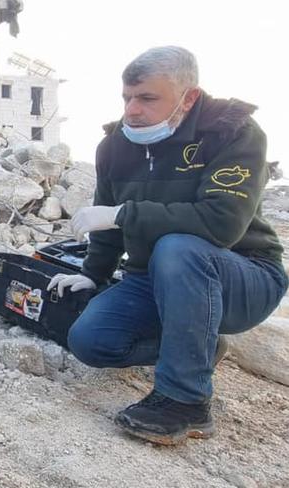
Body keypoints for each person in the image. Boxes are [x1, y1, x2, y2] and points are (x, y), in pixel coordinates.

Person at [50, 46, 287, 445]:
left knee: (178, 247)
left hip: (243, 275)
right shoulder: (115, 147)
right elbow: (106, 226)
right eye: (127, 97)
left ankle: (185, 401)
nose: (132, 110)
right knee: (90, 340)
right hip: (154, 277)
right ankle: (197, 346)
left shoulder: (232, 132)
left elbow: (221, 223)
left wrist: (124, 213)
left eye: (147, 99)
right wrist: (92, 275)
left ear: (188, 96)